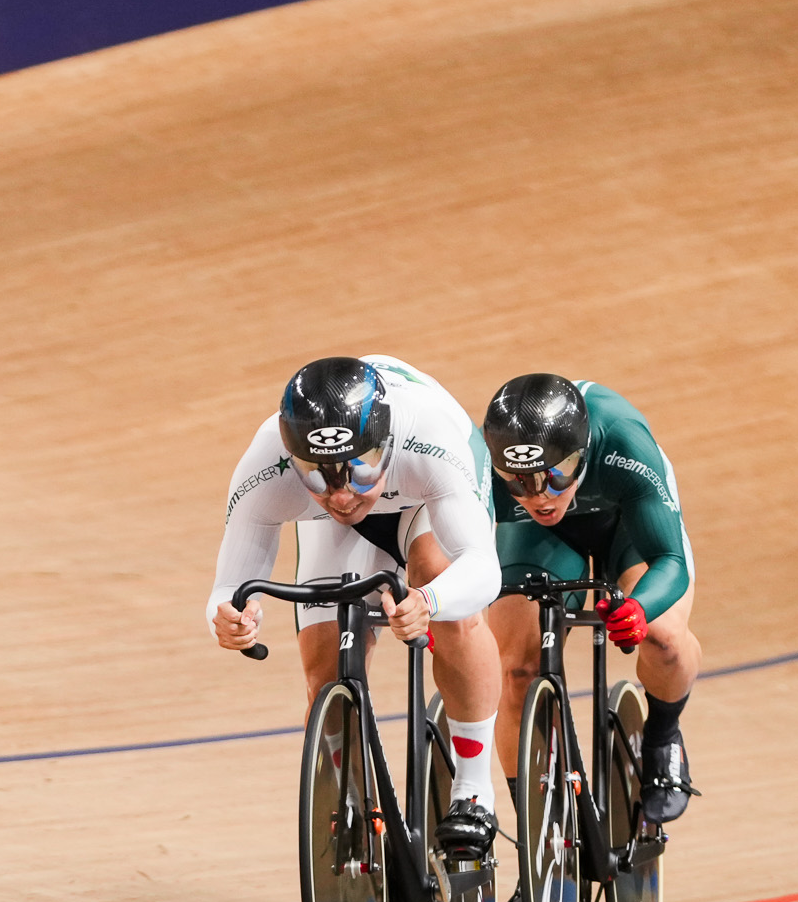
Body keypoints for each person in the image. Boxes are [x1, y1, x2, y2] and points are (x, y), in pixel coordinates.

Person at [208, 356, 504, 859]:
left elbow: (483, 569)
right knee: (325, 675)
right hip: (342, 528)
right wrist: (229, 619)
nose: (341, 495)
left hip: (421, 502)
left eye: (356, 471)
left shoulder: (428, 435)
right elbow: (228, 588)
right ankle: (349, 803)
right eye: (318, 477)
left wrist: (429, 601)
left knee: (437, 579)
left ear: (385, 444)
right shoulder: (267, 463)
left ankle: (473, 791)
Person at [483, 374, 701, 824]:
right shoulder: (488, 473)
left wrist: (637, 609)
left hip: (626, 525)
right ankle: (538, 836)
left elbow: (669, 560)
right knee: (518, 671)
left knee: (664, 638)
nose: (540, 496)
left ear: (583, 454)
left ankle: (663, 737)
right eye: (519, 483)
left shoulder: (622, 443)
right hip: (535, 538)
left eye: (556, 477)